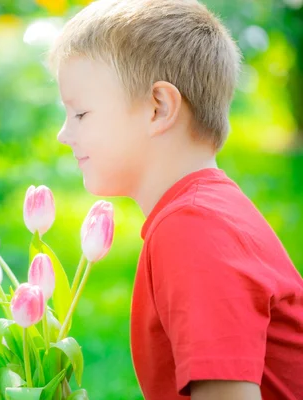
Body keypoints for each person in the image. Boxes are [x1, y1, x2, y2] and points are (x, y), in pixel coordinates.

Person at [49, 1, 303, 399]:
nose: (64, 134)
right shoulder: (202, 214)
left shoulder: (194, 230)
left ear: (159, 108)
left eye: (80, 113)